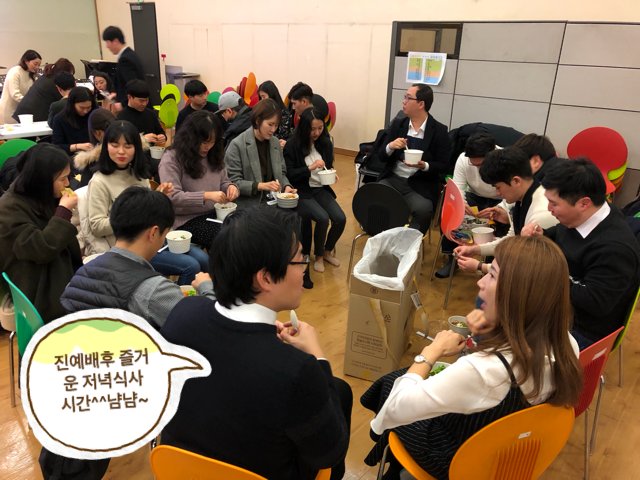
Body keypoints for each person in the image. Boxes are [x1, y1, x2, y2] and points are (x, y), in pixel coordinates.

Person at [362, 236, 582, 480]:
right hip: (503, 450)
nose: (480, 281)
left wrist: (431, 351)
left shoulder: (486, 370)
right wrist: (487, 333)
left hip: (458, 460)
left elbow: (398, 406)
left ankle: (386, 455)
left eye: (492, 275)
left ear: (517, 293)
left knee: (392, 385)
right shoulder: (567, 344)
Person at [160, 206, 352, 480]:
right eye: (300, 260)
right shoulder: (298, 370)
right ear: (266, 278)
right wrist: (318, 357)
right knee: (338, 392)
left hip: (177, 469)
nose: (304, 269)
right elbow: (329, 456)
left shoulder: (182, 312)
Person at [521, 159, 640, 350]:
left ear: (584, 203)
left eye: (554, 203)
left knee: (509, 340)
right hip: (560, 310)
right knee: (496, 313)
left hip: (584, 330)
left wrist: (545, 274)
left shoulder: (615, 249)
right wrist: (542, 235)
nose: (549, 209)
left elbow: (595, 303)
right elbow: (560, 234)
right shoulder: (584, 217)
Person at [61, 186, 214, 328]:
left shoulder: (78, 277)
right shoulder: (155, 291)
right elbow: (208, 323)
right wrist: (206, 287)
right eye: (165, 234)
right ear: (153, 233)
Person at [85, 120, 209, 285]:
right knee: (190, 266)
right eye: (115, 145)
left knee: (203, 259)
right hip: (130, 248)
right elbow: (97, 226)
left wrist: (158, 196)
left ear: (136, 148)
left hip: (152, 237)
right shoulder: (100, 181)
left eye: (128, 146)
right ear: (106, 147)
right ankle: (177, 300)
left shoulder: (139, 175)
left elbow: (148, 211)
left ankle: (200, 298)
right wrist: (133, 216)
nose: (121, 151)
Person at [0, 144, 81, 323]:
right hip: (36, 285)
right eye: (63, 178)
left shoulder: (39, 196)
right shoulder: (8, 209)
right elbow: (41, 249)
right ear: (41, 180)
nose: (67, 184)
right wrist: (63, 211)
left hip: (54, 270)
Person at [454, 146, 558, 274]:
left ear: (516, 181)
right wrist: (475, 249)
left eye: (498, 187)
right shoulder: (524, 198)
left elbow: (525, 267)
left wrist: (481, 266)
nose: (497, 193)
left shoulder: (541, 214)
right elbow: (510, 241)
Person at [377, 84, 451, 234]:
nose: (403, 101)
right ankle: (381, 236)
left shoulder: (439, 130)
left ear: (421, 104)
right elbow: (381, 156)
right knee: (375, 197)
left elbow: (444, 165)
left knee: (423, 210)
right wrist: (390, 146)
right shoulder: (398, 125)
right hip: (393, 179)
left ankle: (409, 242)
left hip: (419, 184)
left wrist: (425, 166)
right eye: (405, 97)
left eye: (408, 98)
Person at [160, 110, 238, 249]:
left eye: (212, 142)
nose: (208, 147)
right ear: (191, 138)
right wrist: (206, 196)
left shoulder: (213, 154)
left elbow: (224, 181)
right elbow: (172, 197)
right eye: (204, 142)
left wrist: (230, 187)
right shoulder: (172, 158)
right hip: (186, 219)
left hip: (216, 213)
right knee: (227, 238)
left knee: (247, 227)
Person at [284, 107, 345, 273]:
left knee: (340, 218)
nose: (317, 132)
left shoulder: (325, 143)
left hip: (320, 189)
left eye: (320, 128)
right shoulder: (292, 145)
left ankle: (326, 251)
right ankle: (318, 256)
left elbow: (328, 165)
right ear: (304, 128)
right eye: (312, 129)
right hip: (302, 191)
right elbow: (289, 174)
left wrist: (332, 173)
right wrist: (309, 168)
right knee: (322, 218)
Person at [435, 132, 502, 278]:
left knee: (505, 222)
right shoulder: (463, 159)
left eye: (481, 164)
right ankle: (453, 258)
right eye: (474, 164)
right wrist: (462, 203)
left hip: (501, 198)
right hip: (474, 196)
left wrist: (500, 209)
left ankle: (492, 265)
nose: (478, 169)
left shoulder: (505, 159)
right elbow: (458, 188)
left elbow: (513, 193)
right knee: (451, 213)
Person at [224, 98, 297, 207]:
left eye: (276, 125)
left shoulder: (275, 142)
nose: (273, 129)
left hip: (273, 200)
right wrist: (261, 186)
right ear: (258, 121)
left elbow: (281, 173)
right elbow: (234, 182)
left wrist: (286, 186)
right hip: (249, 204)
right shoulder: (237, 144)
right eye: (270, 124)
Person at [13, 57, 75, 122]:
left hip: (24, 113)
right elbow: (65, 102)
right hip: (30, 116)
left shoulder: (46, 77)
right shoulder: (54, 83)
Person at [102, 25, 145, 109]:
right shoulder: (129, 55)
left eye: (107, 42)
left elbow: (134, 87)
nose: (107, 46)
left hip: (134, 109)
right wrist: (117, 94)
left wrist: (123, 104)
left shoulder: (125, 59)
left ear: (115, 41)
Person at [117, 79, 166, 145]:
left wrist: (162, 136)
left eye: (147, 100)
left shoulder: (150, 114)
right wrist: (143, 139)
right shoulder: (122, 117)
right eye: (141, 101)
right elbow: (123, 141)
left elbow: (160, 131)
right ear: (129, 97)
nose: (144, 104)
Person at [51, 86, 98, 156]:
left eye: (88, 107)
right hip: (70, 157)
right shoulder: (60, 119)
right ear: (72, 104)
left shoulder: (94, 115)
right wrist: (78, 146)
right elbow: (57, 146)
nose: (85, 111)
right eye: (82, 108)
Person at [0, 49, 41, 124]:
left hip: (22, 111)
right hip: (9, 112)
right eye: (35, 64)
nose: (37, 67)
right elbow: (15, 94)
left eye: (39, 65)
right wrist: (30, 103)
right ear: (26, 61)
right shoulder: (15, 72)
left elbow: (36, 92)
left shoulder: (32, 75)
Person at [259, 80, 292, 144]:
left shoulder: (284, 113)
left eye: (264, 97)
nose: (262, 100)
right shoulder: (263, 111)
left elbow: (282, 136)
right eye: (261, 97)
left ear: (271, 96)